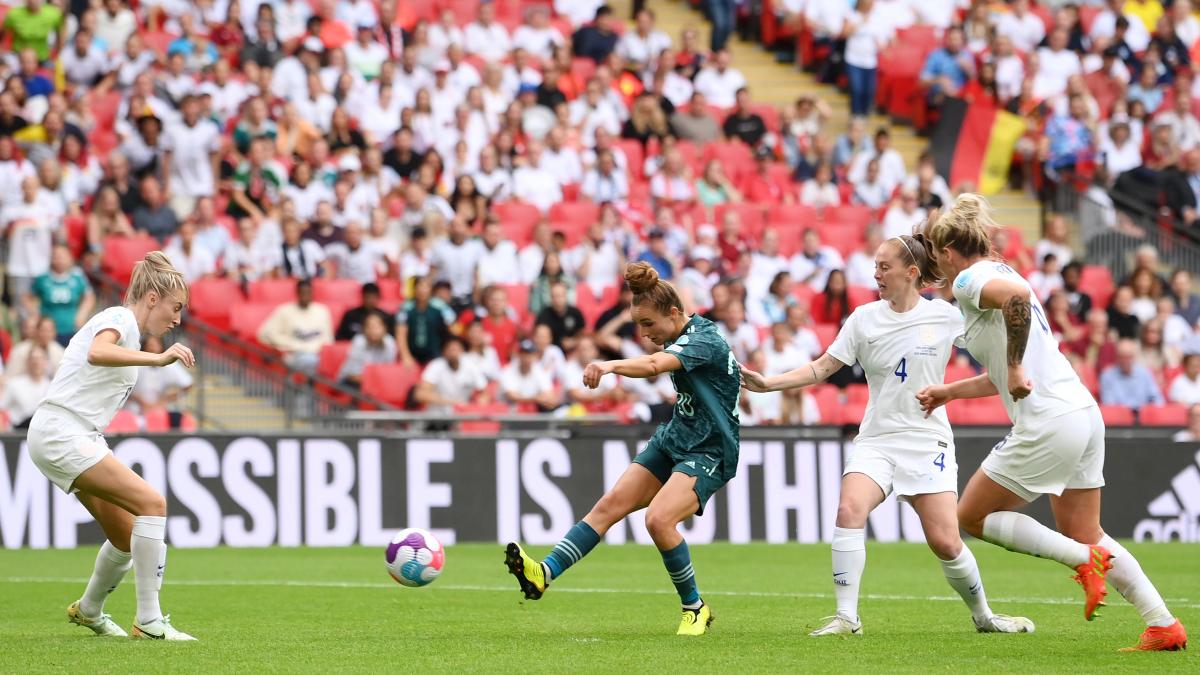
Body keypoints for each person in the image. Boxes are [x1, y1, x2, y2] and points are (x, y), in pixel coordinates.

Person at [915, 194, 1187, 651]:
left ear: (947, 251)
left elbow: (1016, 312)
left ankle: (1086, 562)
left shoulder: (967, 279)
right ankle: (1162, 623)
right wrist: (950, 390)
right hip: (1081, 411)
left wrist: (1017, 366)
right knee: (1086, 531)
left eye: (937, 257)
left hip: (1048, 419)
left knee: (972, 516)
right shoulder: (1003, 272)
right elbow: (1004, 364)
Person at [742, 234, 1033, 636]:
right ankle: (847, 618)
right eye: (875, 266)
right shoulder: (863, 318)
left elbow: (995, 362)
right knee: (849, 511)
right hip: (877, 440)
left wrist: (1015, 367)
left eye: (884, 267)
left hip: (927, 442)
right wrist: (769, 383)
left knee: (946, 542)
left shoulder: (946, 316)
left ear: (911, 273)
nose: (876, 274)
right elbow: (822, 367)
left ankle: (984, 616)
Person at [505, 262, 741, 636]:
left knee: (658, 520)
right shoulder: (685, 336)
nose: (645, 333)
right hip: (675, 436)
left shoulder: (703, 340)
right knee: (609, 505)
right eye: (639, 325)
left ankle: (694, 607)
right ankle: (543, 574)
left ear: (675, 313)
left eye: (649, 324)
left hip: (710, 449)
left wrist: (609, 364)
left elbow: (652, 366)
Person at [26, 252, 197, 640]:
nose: (177, 319)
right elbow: (97, 352)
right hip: (62, 432)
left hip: (68, 433)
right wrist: (157, 360)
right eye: (176, 307)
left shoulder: (129, 332)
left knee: (125, 536)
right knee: (152, 504)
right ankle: (149, 621)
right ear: (152, 298)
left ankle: (88, 610)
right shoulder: (119, 318)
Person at [256, 278, 333, 375]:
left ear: (312, 293)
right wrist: (291, 345)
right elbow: (264, 333)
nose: (305, 296)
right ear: (297, 293)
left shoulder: (322, 311)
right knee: (309, 361)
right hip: (294, 354)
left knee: (319, 361)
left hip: (317, 353)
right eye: (302, 293)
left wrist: (315, 348)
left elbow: (328, 339)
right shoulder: (284, 310)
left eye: (308, 292)